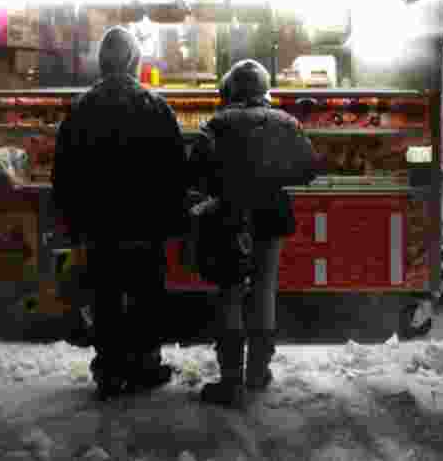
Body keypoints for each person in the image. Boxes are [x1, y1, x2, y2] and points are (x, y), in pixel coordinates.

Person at [52, 26, 187, 399]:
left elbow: (64, 170)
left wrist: (69, 218)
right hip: (145, 224)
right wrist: (175, 219)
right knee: (147, 295)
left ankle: (109, 370)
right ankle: (145, 365)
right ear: (134, 61)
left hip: (99, 225)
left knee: (105, 296)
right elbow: (175, 169)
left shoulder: (82, 108)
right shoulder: (155, 106)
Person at [189, 59, 318, 408]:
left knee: (230, 293)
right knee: (264, 291)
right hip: (272, 215)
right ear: (264, 91)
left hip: (228, 214)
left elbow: (195, 169)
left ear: (231, 89)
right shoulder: (286, 123)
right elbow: (309, 168)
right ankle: (258, 373)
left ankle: (230, 380)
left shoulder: (215, 124)